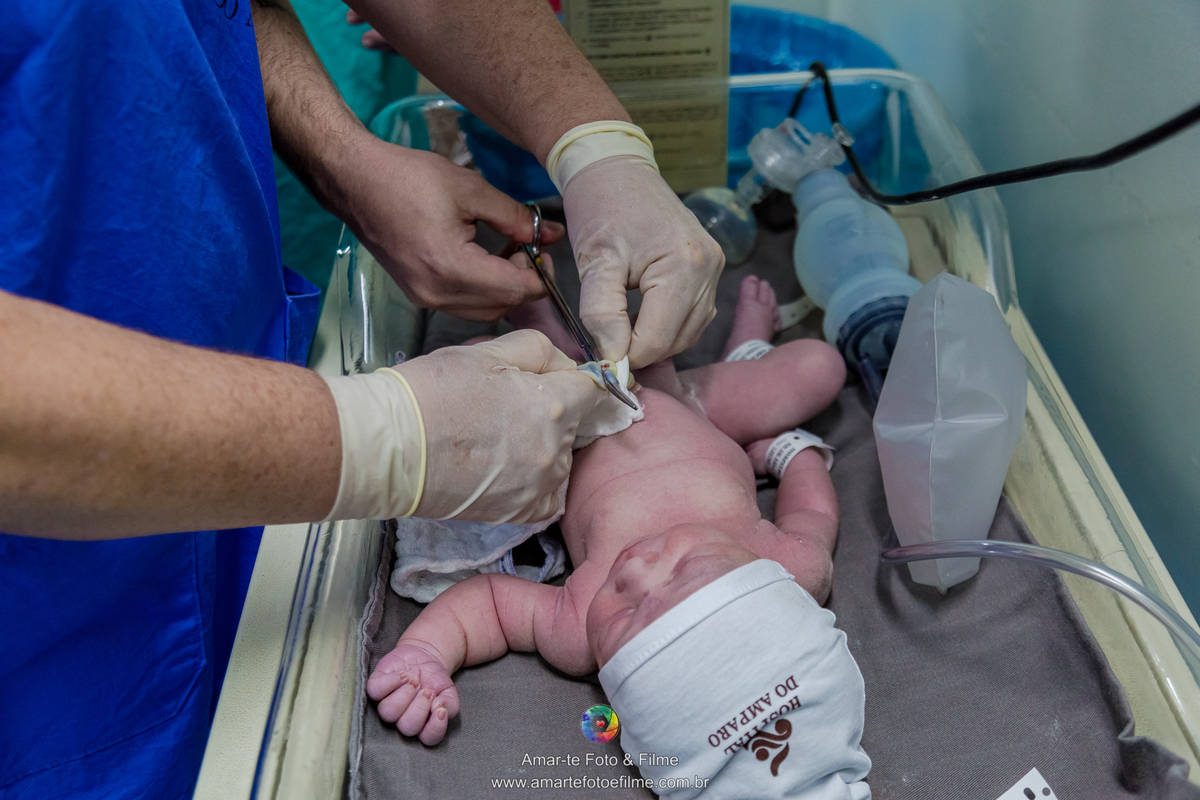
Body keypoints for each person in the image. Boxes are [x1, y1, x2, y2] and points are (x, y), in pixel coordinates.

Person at [0, 1, 722, 797]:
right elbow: (497, 605)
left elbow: (189, 15)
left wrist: (594, 146)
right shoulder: (617, 605)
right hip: (49, 623)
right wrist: (380, 438)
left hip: (244, 410)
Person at [366, 276, 867, 799]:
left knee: (472, 373)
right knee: (818, 367)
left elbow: (489, 605)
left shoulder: (576, 631)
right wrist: (791, 455)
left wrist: (426, 651)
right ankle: (748, 347)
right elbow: (810, 509)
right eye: (682, 571)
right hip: (691, 408)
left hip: (568, 429)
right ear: (759, 577)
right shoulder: (790, 565)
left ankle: (538, 324)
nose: (633, 571)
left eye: (625, 615)